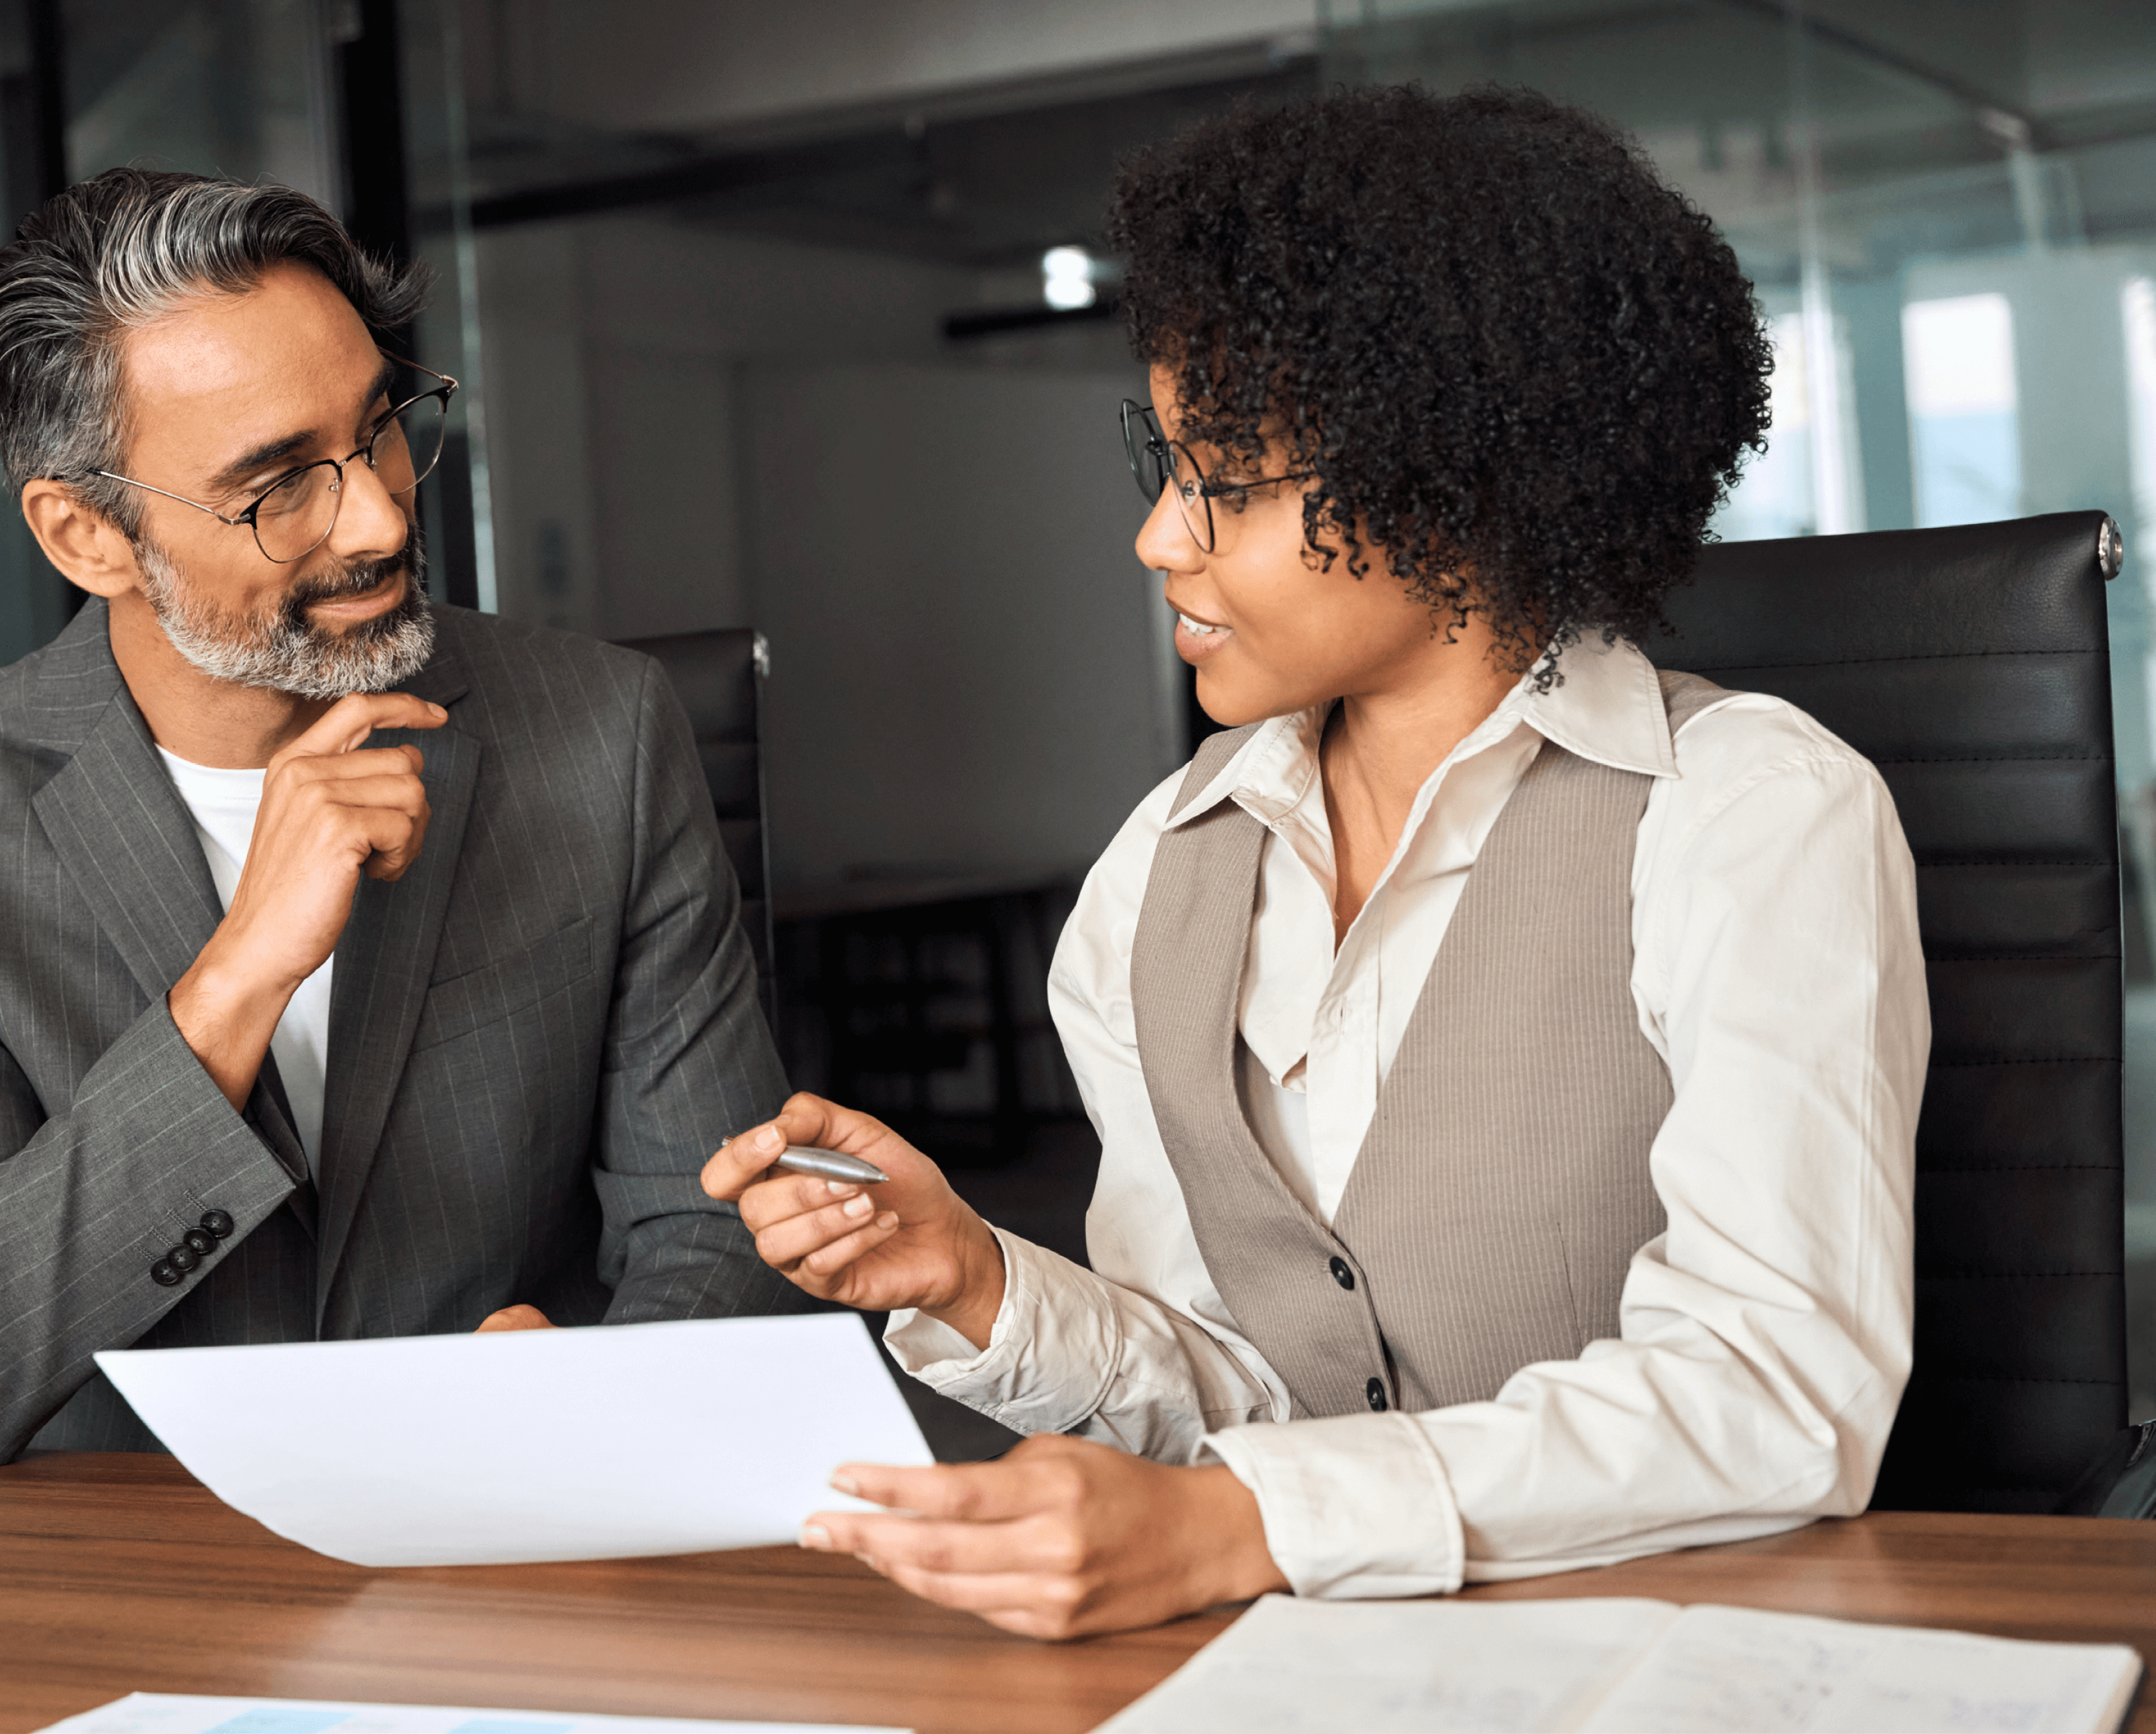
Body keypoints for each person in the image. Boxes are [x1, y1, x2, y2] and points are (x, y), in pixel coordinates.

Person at [704, 85, 1925, 1638]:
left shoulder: (1750, 815)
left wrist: (1250, 1524)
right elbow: (1237, 1388)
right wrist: (976, 1279)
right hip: (1318, 1670)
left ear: (1456, 486)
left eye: (1231, 482)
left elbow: (1774, 1392)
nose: (1161, 539)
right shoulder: (1161, 871)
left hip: (1684, 1662)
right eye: (1167, 465)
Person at [0, 169, 801, 1467]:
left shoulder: (601, 731)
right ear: (85, 536)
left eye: (381, 426)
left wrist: (590, 1421)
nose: (384, 514)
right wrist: (234, 983)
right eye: (279, 484)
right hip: (128, 1579)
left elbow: (719, 1227)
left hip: (526, 1533)